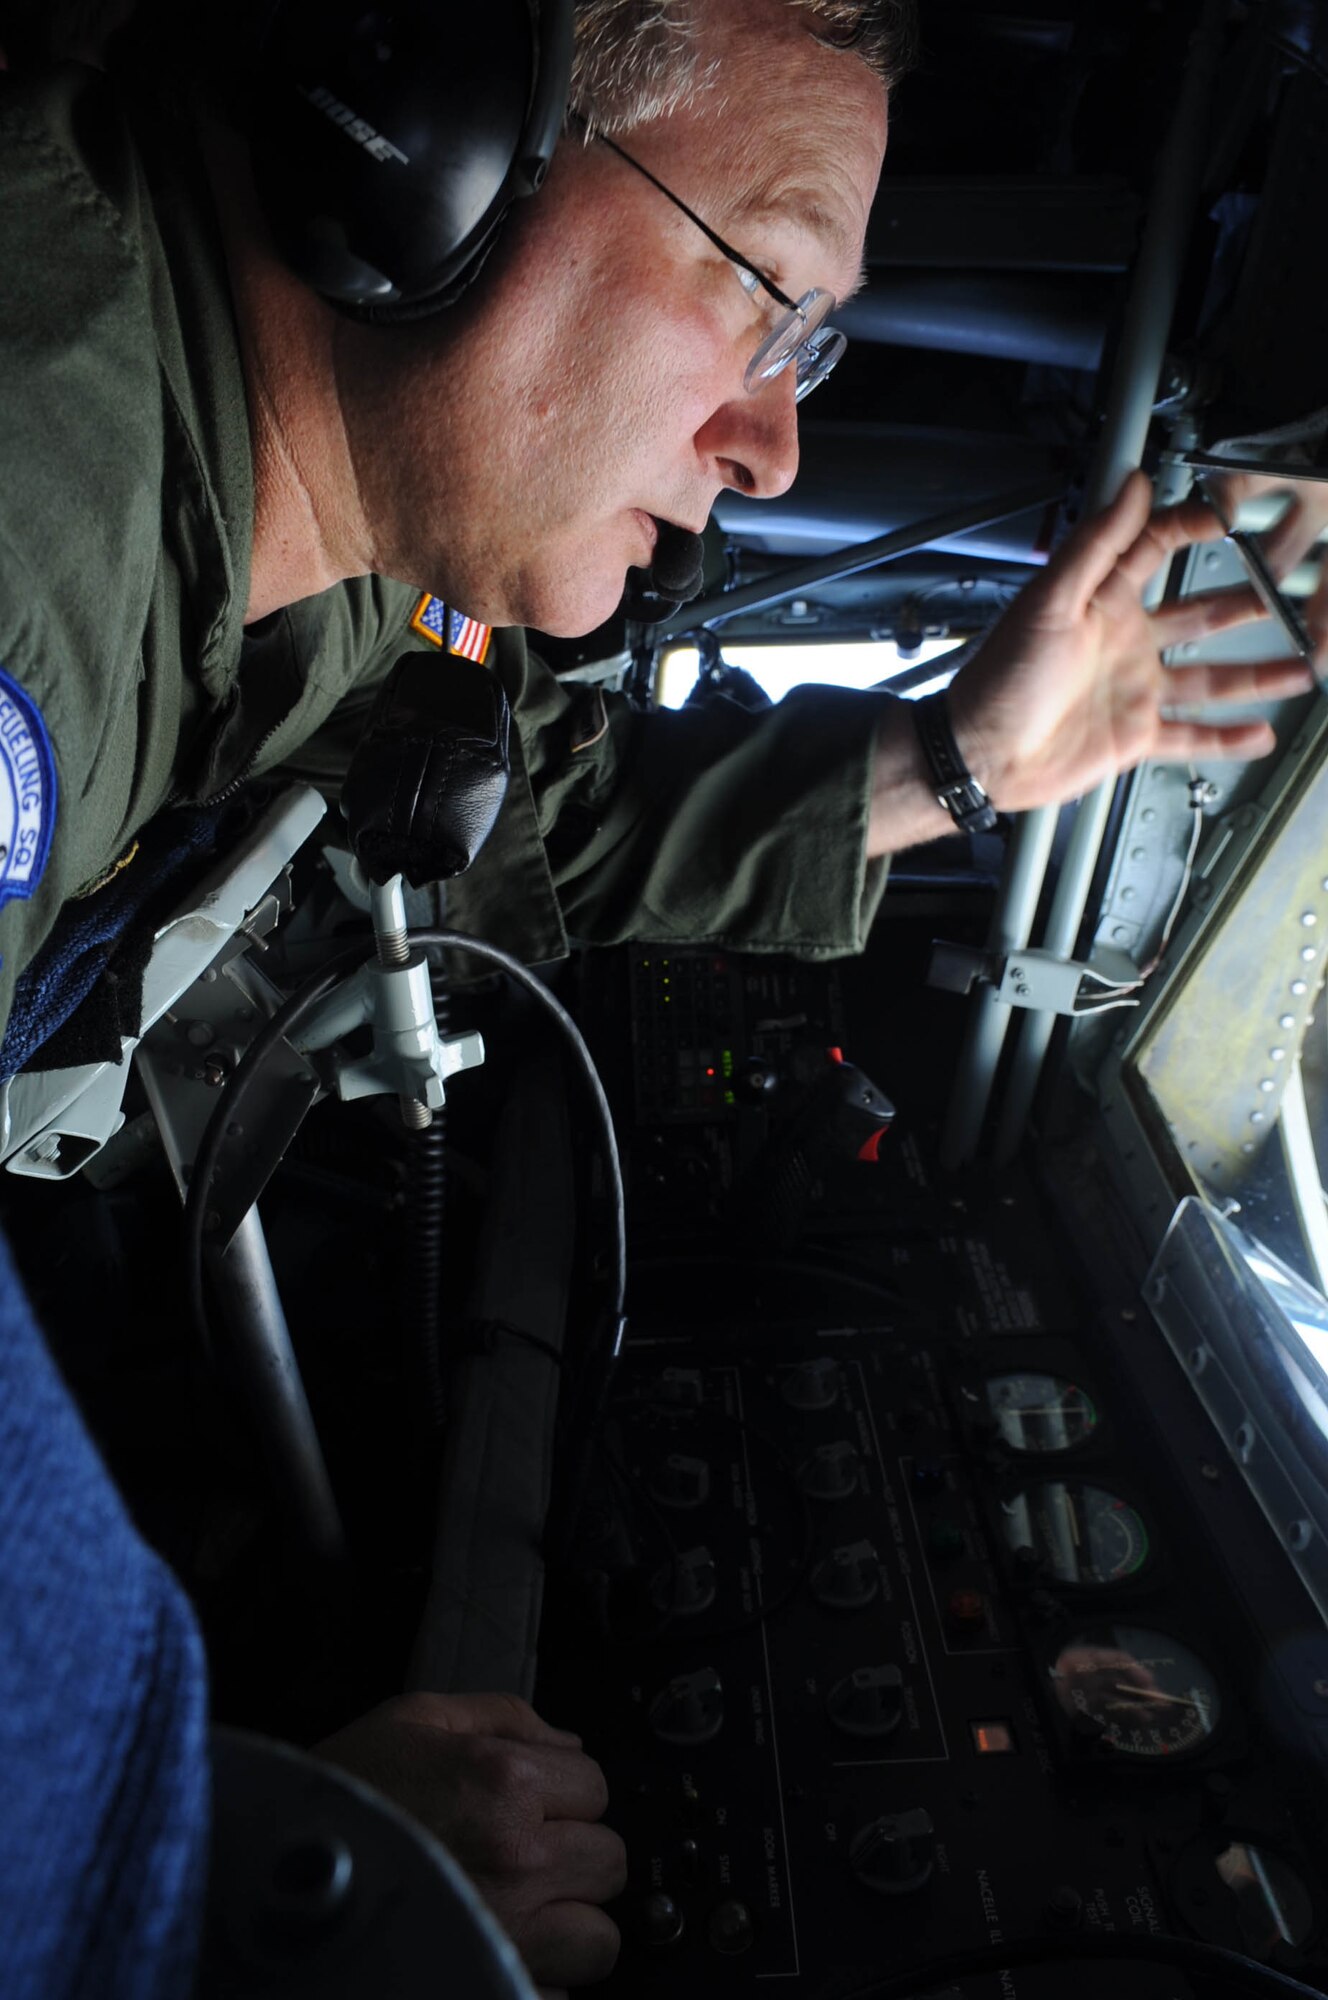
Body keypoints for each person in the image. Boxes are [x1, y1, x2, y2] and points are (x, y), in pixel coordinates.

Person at [0, 0, 1317, 1992]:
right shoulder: (40, 495)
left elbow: (565, 816)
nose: (776, 444)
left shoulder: (332, 537)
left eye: (812, 350)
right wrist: (184, 1863)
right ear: (431, 134)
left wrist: (967, 764)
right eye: (767, 296)